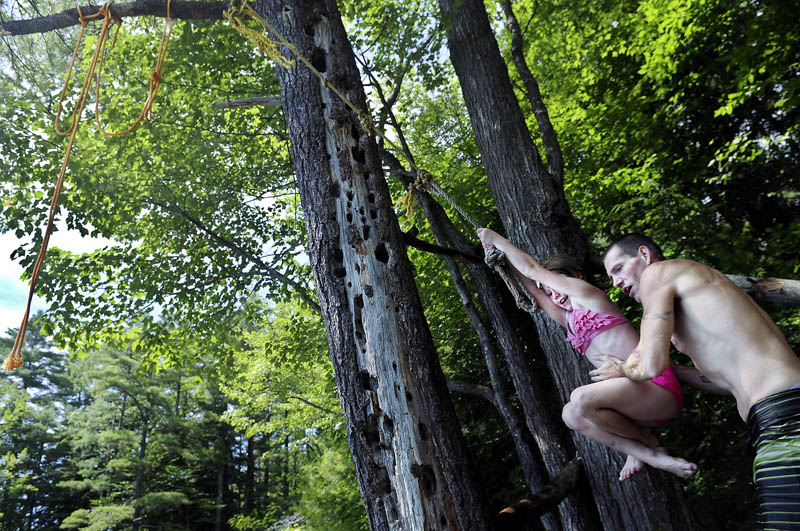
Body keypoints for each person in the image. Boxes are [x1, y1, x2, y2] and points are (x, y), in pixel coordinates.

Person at [598, 233, 800, 528]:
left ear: (644, 254)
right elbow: (723, 382)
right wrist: (678, 372)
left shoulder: (659, 272)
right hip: (780, 412)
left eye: (618, 269)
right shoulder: (698, 295)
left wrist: (622, 368)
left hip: (785, 416)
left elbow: (649, 363)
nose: (615, 283)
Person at [477, 228, 697, 480]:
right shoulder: (567, 317)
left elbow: (535, 271)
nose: (555, 295)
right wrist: (502, 262)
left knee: (579, 398)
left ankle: (650, 451)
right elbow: (536, 291)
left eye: (556, 285)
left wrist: (497, 239)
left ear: (576, 278)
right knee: (569, 414)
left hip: (657, 388)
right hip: (636, 404)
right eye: (550, 292)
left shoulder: (588, 295)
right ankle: (646, 447)